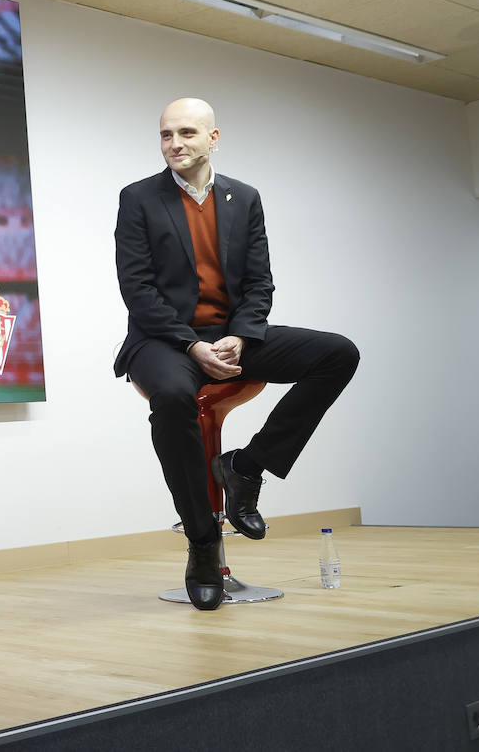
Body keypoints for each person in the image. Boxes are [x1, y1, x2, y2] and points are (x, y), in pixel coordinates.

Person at [113, 97, 359, 611]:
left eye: (185, 133)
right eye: (165, 135)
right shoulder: (137, 198)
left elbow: (259, 282)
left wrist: (242, 336)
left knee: (337, 354)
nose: (174, 144)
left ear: (213, 138)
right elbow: (137, 290)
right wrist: (193, 345)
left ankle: (247, 466)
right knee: (176, 397)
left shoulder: (243, 198)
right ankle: (202, 542)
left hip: (232, 335)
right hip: (164, 340)